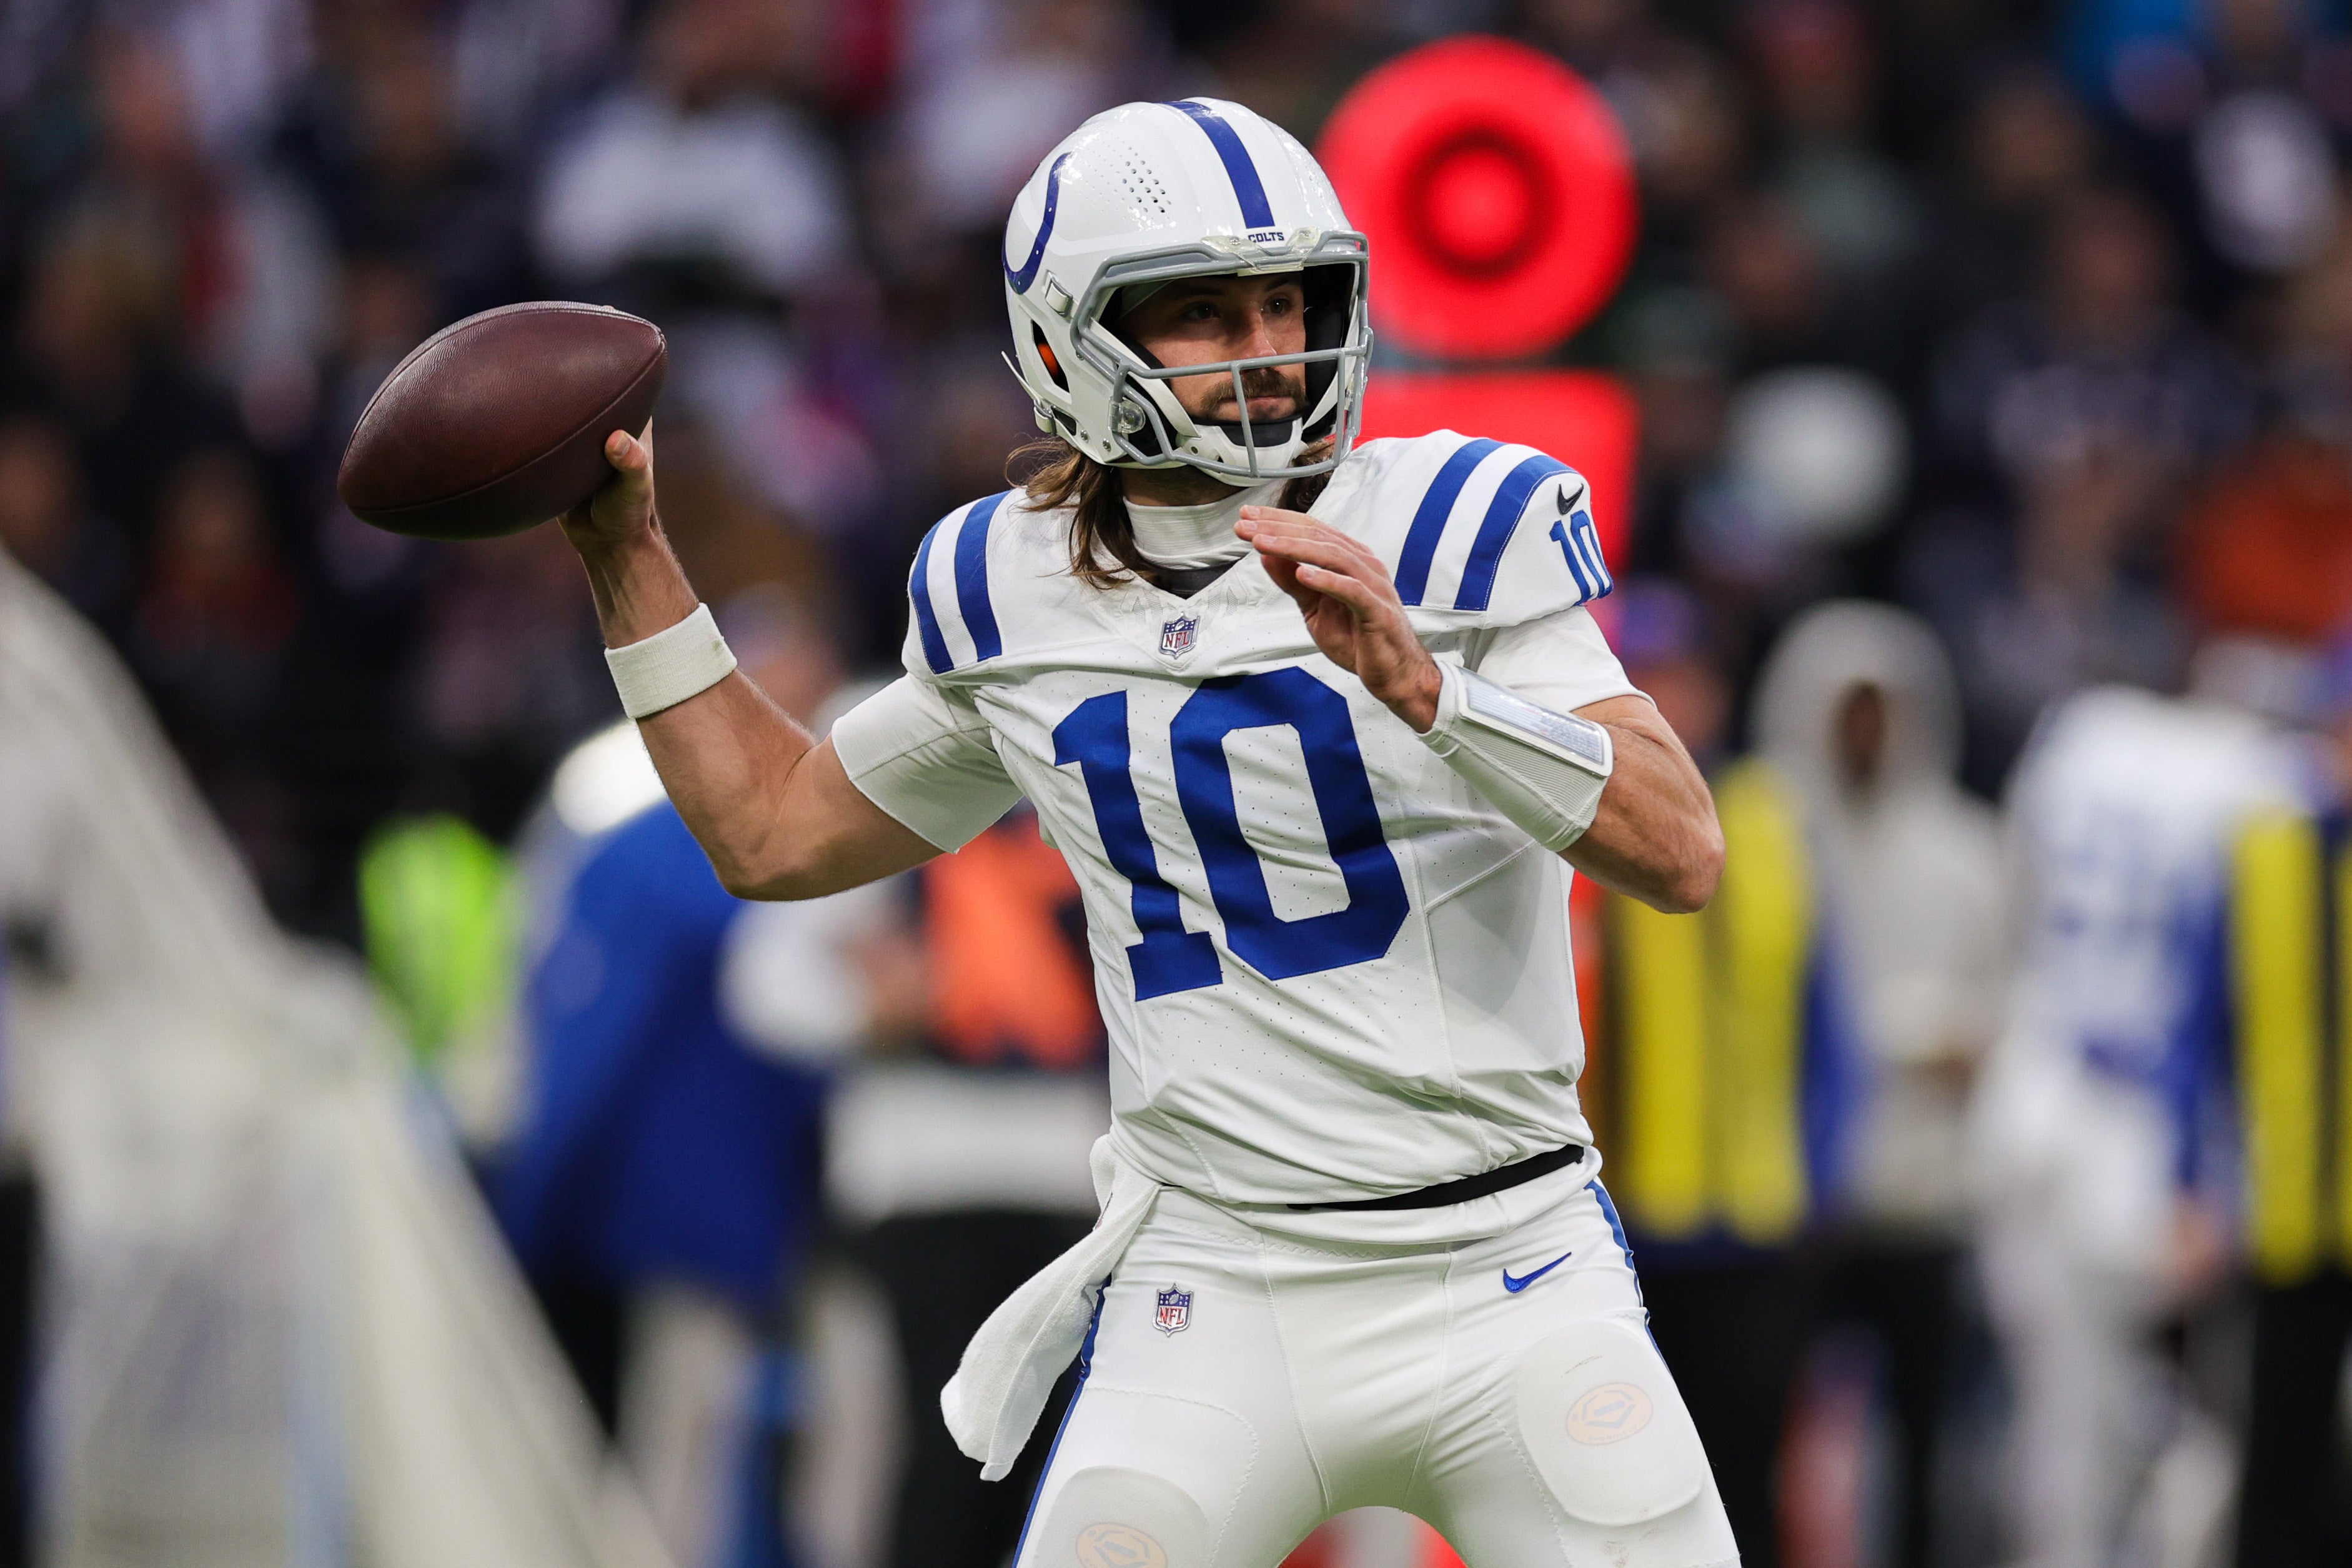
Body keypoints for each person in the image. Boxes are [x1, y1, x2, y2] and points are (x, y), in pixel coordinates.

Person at [549, 99, 1732, 1565]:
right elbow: (776, 832)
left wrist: (1428, 691)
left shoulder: (1450, 517)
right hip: (1215, 1281)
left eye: (1287, 299)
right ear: (1065, 345)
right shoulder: (1006, 583)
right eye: (1202, 312)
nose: (1267, 346)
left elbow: (1679, 851)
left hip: (1511, 1264)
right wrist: (629, 555)